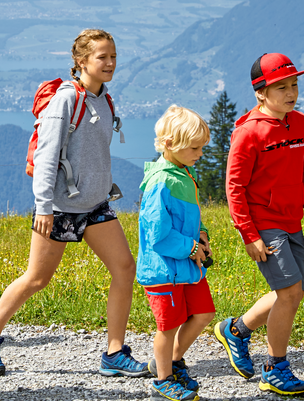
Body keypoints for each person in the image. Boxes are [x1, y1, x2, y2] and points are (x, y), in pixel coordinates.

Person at [0, 29, 148, 378]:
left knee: (125, 269)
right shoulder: (66, 101)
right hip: (60, 208)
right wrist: (43, 207)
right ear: (81, 61)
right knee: (37, 278)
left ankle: (114, 352)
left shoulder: (103, 98)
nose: (111, 63)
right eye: (102, 57)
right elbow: (46, 156)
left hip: (95, 204)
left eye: (113, 56)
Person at [214, 52, 304, 396]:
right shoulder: (248, 133)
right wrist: (248, 234)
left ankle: (236, 330)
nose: (291, 92)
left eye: (294, 85)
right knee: (289, 293)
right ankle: (276, 369)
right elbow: (235, 187)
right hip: (264, 224)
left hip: (292, 222)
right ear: (260, 92)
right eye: (281, 87)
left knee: (291, 293)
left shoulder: (300, 123)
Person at [137, 106, 215, 401]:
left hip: (186, 266)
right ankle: (162, 380)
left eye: (201, 148)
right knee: (167, 327)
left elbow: (189, 216)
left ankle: (173, 360)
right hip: (163, 270)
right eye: (194, 148)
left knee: (204, 312)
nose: (200, 154)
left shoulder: (184, 172)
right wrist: (192, 247)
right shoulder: (161, 182)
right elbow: (158, 236)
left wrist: (202, 232)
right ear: (169, 145)